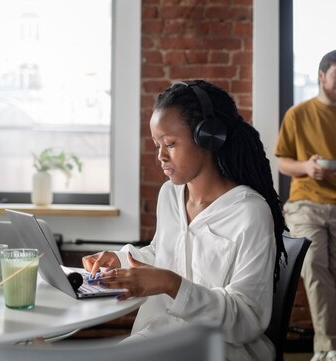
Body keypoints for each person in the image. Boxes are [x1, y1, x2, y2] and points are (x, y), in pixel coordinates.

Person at [82, 80, 287, 361]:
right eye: (157, 145)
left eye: (170, 144)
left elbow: (247, 319)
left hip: (220, 348)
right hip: (160, 335)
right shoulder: (169, 195)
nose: (160, 156)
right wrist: (120, 259)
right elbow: (164, 252)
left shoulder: (249, 212)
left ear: (209, 138)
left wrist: (171, 284)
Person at [275, 49, 336, 361]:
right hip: (306, 204)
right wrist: (307, 167)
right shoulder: (298, 114)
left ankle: (327, 350)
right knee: (315, 266)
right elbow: (282, 162)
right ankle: (331, 347)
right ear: (322, 75)